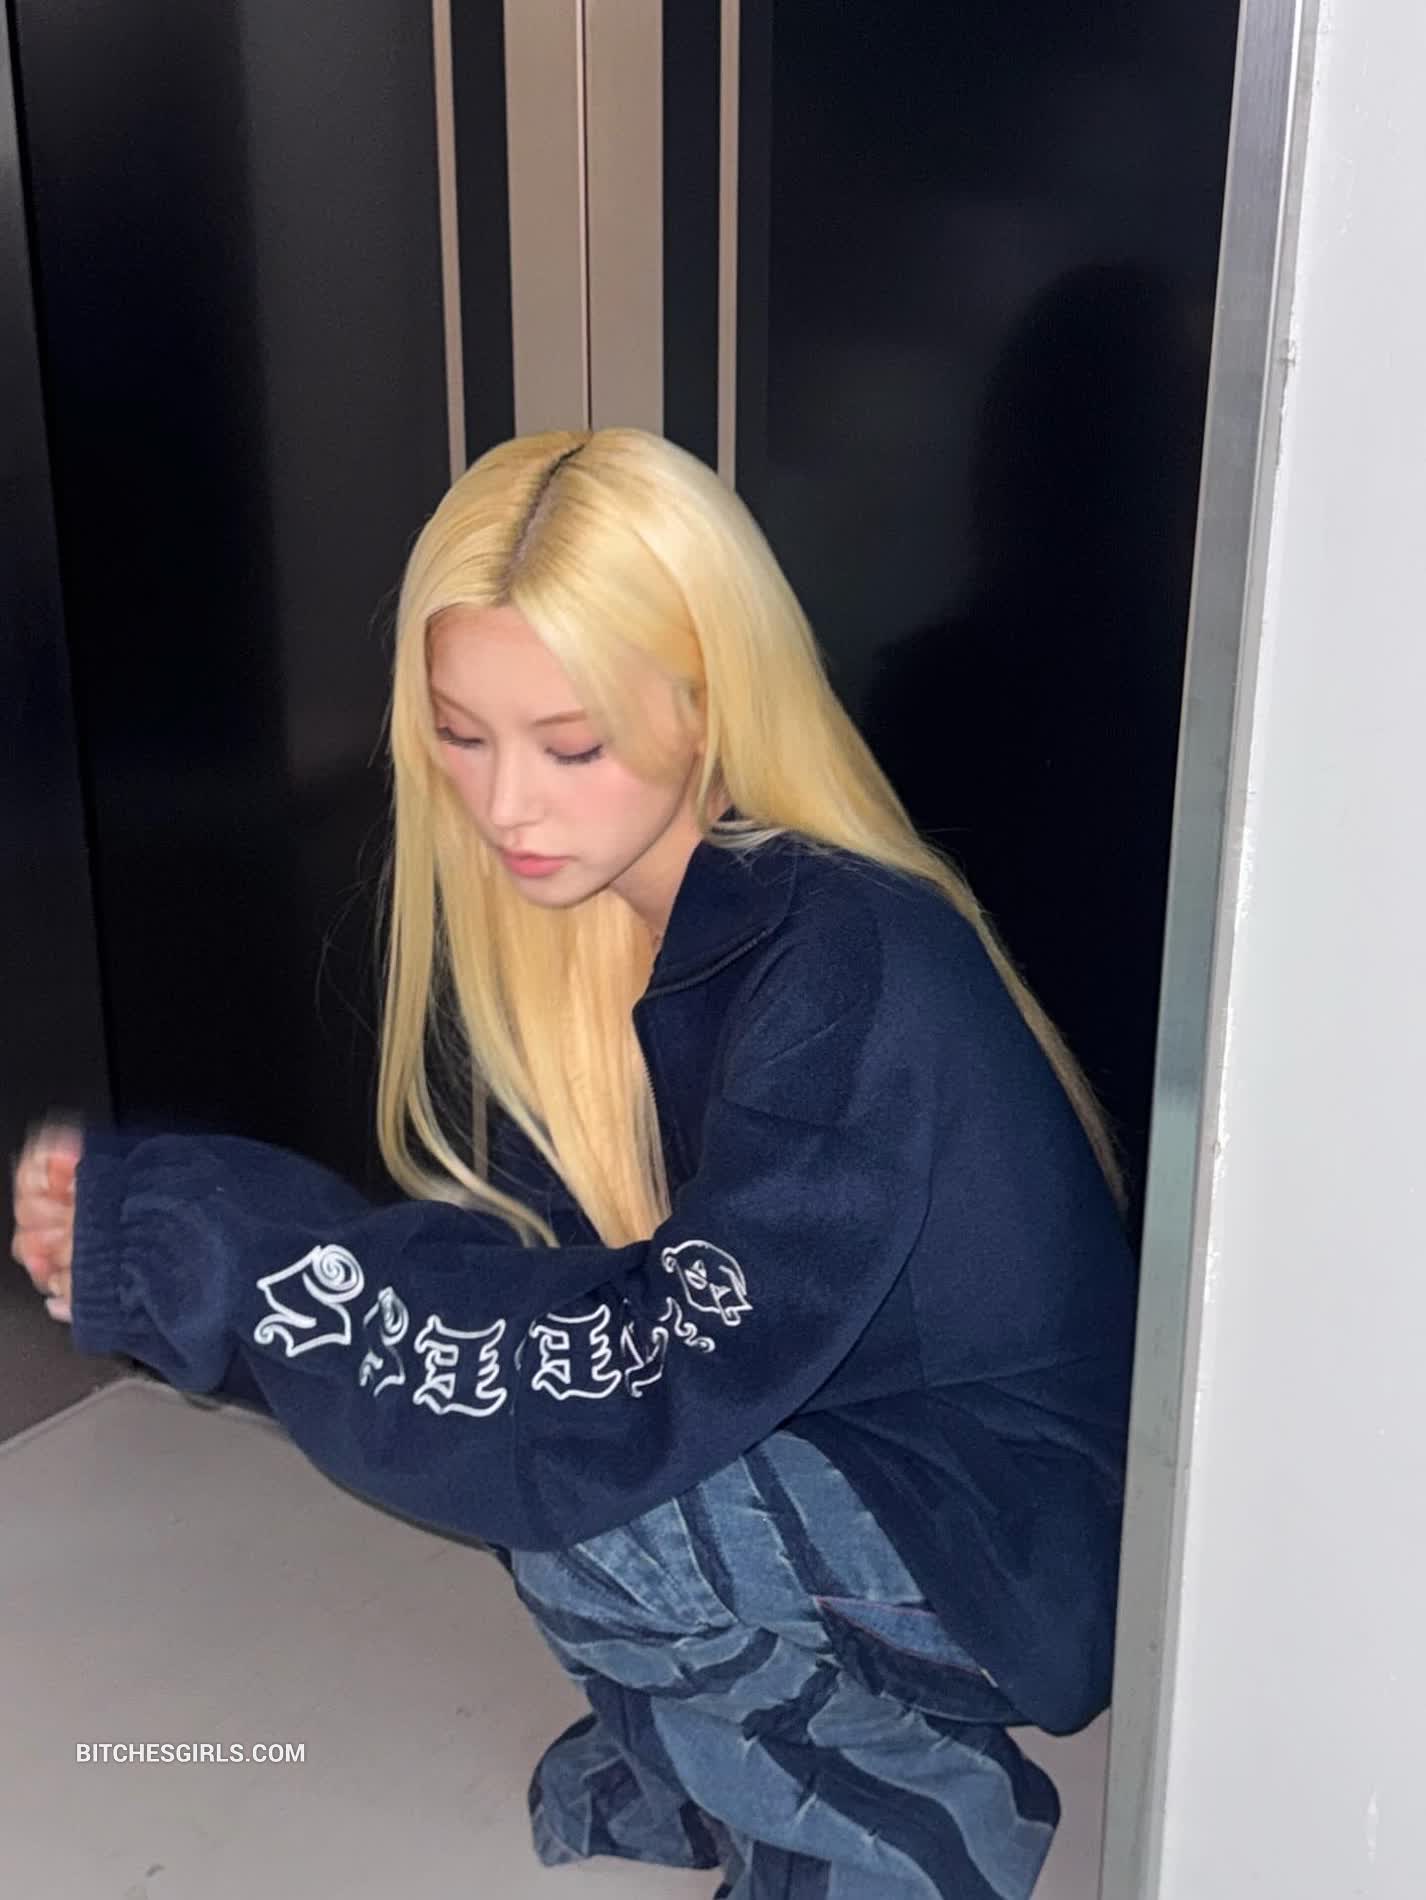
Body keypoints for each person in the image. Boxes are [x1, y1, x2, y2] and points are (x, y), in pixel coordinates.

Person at [11, 427, 1138, 1898]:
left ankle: (917, 1827)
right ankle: (721, 1764)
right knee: (533, 1460)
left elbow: (621, 1386)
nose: (505, 807)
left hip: (1006, 1540)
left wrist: (230, 1258)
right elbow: (521, 1317)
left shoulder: (847, 963)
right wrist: (203, 1283)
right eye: (461, 735)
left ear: (708, 705)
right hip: (851, 1446)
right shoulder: (593, 933)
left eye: (571, 745)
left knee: (603, 1517)